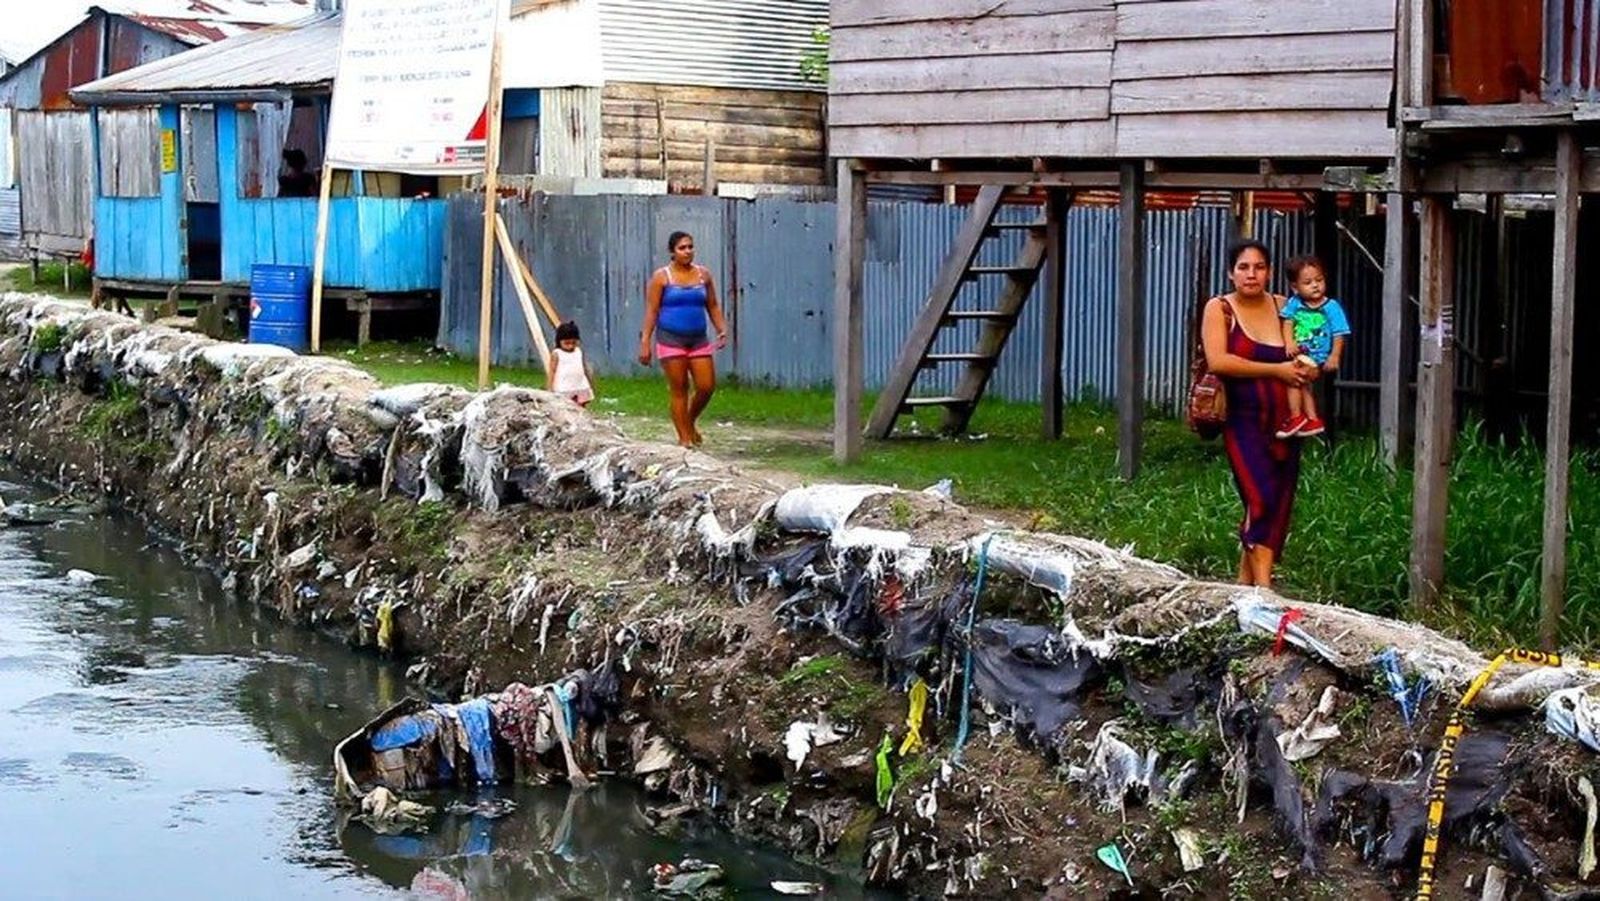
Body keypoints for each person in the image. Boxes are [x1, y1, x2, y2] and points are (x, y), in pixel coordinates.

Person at [1201, 240, 1316, 588]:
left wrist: (1307, 366)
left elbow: (1307, 349)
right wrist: (1275, 371)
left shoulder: (1285, 306)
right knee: (1260, 496)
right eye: (1244, 267)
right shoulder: (1219, 308)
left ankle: (1241, 587)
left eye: (1260, 267)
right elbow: (1218, 360)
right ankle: (1265, 592)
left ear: (1269, 272)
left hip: (1285, 422)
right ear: (1231, 273)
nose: (1252, 274)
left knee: (1278, 501)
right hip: (1243, 420)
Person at [638, 231, 728, 447]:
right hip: (670, 339)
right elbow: (652, 310)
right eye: (682, 248)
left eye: (690, 247)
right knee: (680, 389)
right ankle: (684, 438)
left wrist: (721, 329)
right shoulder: (662, 277)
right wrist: (645, 342)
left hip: (698, 339)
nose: (687, 251)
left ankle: (688, 420)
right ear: (672, 252)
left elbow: (712, 305)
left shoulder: (703, 275)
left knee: (706, 386)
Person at [1275, 255, 1350, 439]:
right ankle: (1312, 419)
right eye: (1308, 282)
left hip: (1318, 355)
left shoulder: (1331, 306)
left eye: (1319, 280)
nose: (1315, 285)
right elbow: (1287, 323)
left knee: (1293, 380)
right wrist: (1289, 343)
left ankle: (1296, 417)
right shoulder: (1295, 304)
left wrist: (1334, 356)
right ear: (1295, 287)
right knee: (1303, 385)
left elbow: (1340, 332)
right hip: (1299, 353)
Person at [548, 320, 595, 407]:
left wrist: (590, 382)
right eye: (567, 343)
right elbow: (552, 371)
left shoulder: (578, 351)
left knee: (581, 407)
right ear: (559, 341)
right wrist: (550, 388)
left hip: (580, 385)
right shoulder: (557, 353)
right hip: (564, 387)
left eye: (573, 343)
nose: (570, 346)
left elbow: (584, 368)